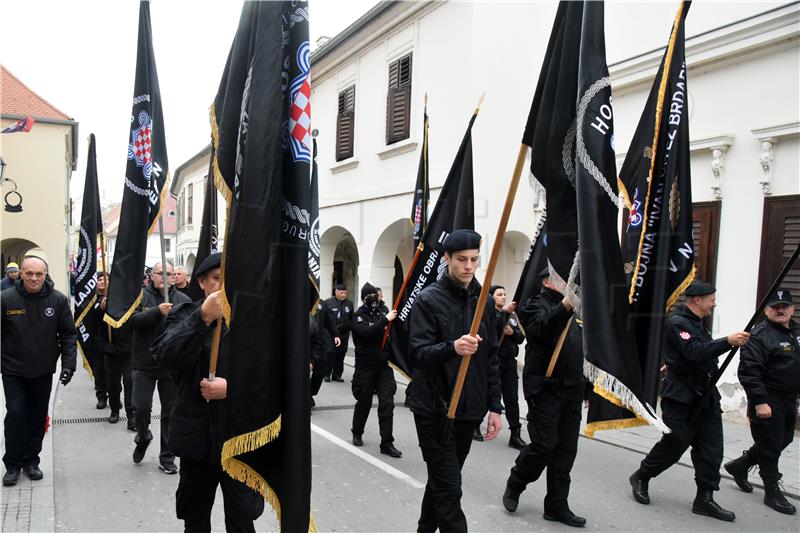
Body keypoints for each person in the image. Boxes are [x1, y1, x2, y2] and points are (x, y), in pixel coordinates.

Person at [152, 252, 265, 531]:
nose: (224, 286)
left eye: (231, 279)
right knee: (195, 517)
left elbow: (272, 375)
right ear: (201, 282)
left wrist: (233, 388)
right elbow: (164, 355)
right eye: (217, 279)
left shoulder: (254, 323)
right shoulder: (184, 315)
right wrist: (201, 318)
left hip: (239, 438)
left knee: (242, 518)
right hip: (196, 439)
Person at [406, 229, 502, 533]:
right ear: (447, 259)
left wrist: (495, 407)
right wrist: (452, 348)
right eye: (461, 259)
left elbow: (492, 358)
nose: (469, 266)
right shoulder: (428, 300)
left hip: (467, 409)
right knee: (450, 489)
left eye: (474, 259)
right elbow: (418, 354)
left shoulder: (484, 302)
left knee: (442, 481)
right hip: (434, 409)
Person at [629, 281, 749, 522]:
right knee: (675, 443)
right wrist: (727, 342)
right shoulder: (677, 322)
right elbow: (694, 352)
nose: (714, 303)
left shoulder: (696, 322)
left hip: (705, 396)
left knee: (712, 449)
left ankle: (704, 499)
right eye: (711, 299)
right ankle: (642, 475)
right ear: (697, 300)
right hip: (681, 397)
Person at [501, 267, 587, 527]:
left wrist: (589, 389)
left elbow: (584, 352)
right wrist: (565, 305)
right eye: (564, 278)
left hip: (572, 389)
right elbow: (545, 329)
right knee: (544, 446)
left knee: (566, 451)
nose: (570, 283)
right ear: (548, 281)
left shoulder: (579, 311)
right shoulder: (533, 305)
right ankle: (516, 482)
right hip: (545, 389)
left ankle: (557, 505)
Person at [1, 256, 77, 486]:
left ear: (45, 275)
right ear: (21, 274)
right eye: (29, 273)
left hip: (42, 371)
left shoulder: (59, 301)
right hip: (13, 370)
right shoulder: (5, 299)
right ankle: (12, 465)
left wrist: (69, 365)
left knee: (36, 417)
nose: (34, 278)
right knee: (16, 414)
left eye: (38, 274)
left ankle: (31, 461)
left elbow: (68, 335)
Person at [725, 288, 798, 515]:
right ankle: (771, 491)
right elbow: (749, 371)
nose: (780, 310)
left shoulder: (795, 332)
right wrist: (759, 402)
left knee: (782, 440)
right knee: (770, 447)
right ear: (766, 310)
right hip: (768, 398)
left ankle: (740, 465)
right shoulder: (759, 335)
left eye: (784, 306)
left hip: (789, 398)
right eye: (775, 307)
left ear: (792, 309)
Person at [128, 261, 191, 473]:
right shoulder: (140, 297)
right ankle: (143, 436)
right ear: (151, 276)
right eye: (160, 273)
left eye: (170, 274)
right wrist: (156, 312)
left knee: (171, 412)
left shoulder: (183, 300)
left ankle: (167, 456)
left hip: (170, 366)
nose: (165, 277)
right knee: (141, 407)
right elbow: (132, 322)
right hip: (143, 364)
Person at [350, 282, 402, 458]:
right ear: (364, 299)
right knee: (364, 402)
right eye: (370, 297)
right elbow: (367, 333)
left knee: (387, 403)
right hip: (365, 367)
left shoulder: (383, 311)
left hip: (384, 367)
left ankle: (387, 443)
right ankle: (357, 431)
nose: (374, 300)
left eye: (376, 296)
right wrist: (385, 320)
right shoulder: (358, 316)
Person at [489, 285, 527, 450]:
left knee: (512, 399)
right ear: (492, 297)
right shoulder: (491, 314)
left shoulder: (511, 317)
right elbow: (492, 332)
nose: (503, 297)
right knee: (488, 395)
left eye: (505, 294)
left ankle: (515, 434)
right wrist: (502, 314)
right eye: (499, 294)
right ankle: (475, 425)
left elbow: (520, 338)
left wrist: (513, 333)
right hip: (493, 362)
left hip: (509, 363)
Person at [97, 272, 136, 429]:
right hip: (111, 348)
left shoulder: (132, 296)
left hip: (129, 347)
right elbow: (94, 318)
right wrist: (102, 307)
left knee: (130, 382)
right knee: (113, 383)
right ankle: (114, 409)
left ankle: (131, 415)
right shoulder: (106, 297)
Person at [309, 299, 340, 405]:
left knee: (321, 370)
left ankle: (310, 393)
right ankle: (303, 400)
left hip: (318, 343)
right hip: (302, 344)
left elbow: (329, 321)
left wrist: (336, 334)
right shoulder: (298, 300)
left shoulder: (321, 303)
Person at [325, 283, 353, 382]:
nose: (344, 295)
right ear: (336, 292)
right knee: (330, 353)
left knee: (341, 354)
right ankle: (327, 373)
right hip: (330, 334)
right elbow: (323, 319)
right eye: (341, 293)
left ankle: (336, 375)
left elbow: (351, 318)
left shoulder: (349, 304)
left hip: (343, 334)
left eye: (345, 293)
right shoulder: (328, 303)